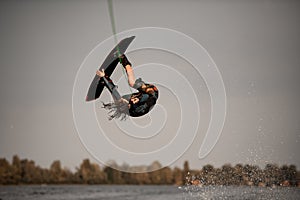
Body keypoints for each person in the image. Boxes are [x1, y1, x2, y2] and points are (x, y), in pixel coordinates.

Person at [96, 54, 159, 120]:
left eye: (133, 100)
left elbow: (119, 97)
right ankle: (124, 61)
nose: (133, 98)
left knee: (119, 101)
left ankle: (106, 82)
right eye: (134, 100)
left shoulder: (129, 108)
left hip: (132, 107)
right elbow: (153, 97)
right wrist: (143, 87)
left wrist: (104, 78)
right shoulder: (149, 100)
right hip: (151, 93)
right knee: (132, 83)